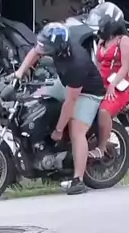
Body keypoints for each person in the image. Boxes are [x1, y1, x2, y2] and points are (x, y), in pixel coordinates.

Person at [13, 22, 106, 195]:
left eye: (46, 46)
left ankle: (78, 180)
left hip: (88, 92)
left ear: (59, 48)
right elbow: (35, 51)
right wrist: (19, 73)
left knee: (76, 131)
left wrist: (58, 130)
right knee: (37, 98)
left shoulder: (76, 63)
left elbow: (70, 101)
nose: (43, 48)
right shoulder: (56, 46)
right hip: (66, 83)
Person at [87, 2, 129, 160]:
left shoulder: (124, 40)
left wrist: (112, 86)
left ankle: (101, 148)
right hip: (102, 82)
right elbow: (97, 64)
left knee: (104, 111)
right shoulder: (101, 41)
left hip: (120, 84)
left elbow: (125, 67)